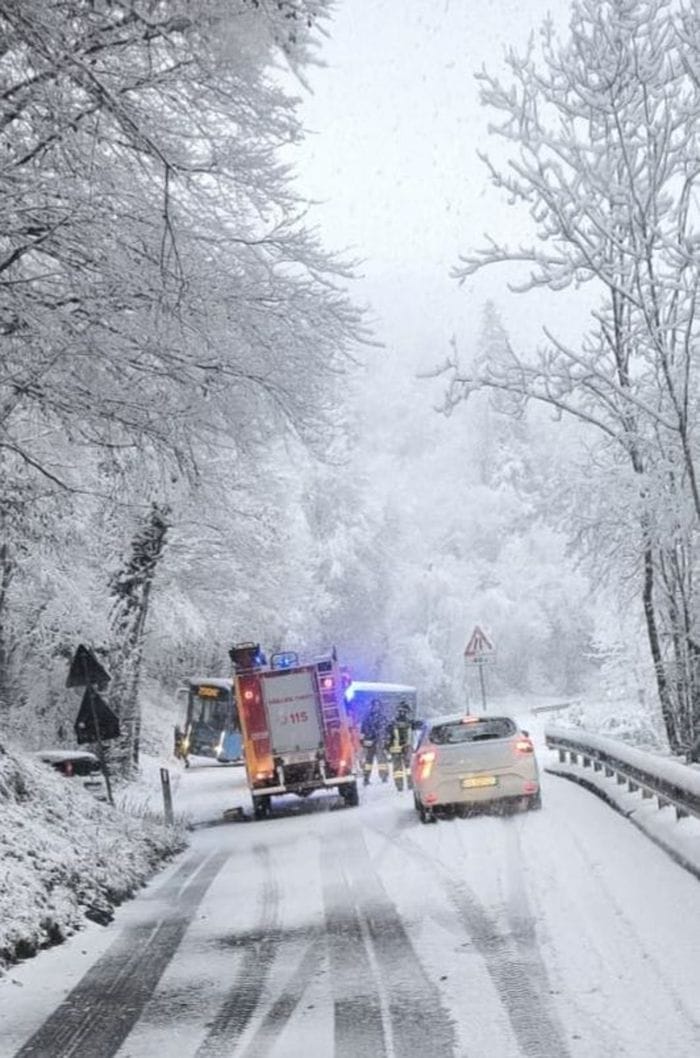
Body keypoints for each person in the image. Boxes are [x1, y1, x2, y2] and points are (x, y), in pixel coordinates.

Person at [387, 699, 414, 791]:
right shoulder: (408, 723)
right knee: (406, 768)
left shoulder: (407, 723)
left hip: (402, 749)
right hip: (403, 749)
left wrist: (388, 747)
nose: (403, 713)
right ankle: (405, 785)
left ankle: (404, 785)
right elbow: (388, 737)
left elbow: (388, 737)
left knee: (403, 769)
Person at [361, 699, 389, 785]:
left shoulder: (380, 717)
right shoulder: (368, 718)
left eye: (377, 706)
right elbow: (363, 731)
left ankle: (383, 776)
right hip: (371, 743)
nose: (376, 708)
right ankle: (366, 778)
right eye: (375, 706)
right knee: (369, 762)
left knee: (381, 761)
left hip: (377, 742)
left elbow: (386, 730)